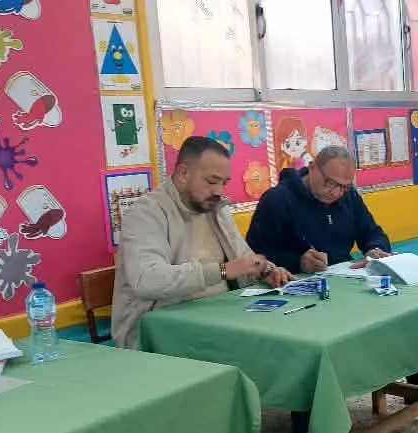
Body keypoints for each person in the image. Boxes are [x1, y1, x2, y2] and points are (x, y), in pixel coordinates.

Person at [245, 144, 418, 433]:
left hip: (342, 280)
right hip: (296, 289)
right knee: (315, 345)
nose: (335, 192)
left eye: (344, 186)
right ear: (312, 169)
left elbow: (372, 231)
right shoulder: (278, 200)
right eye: (330, 183)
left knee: (401, 308)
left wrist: (374, 248)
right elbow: (254, 254)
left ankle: (417, 382)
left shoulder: (349, 197)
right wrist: (297, 260)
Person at [112, 136, 292, 349]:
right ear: (183, 173)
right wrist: (223, 271)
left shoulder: (215, 208)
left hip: (221, 317)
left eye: (224, 183)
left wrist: (265, 271)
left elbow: (243, 258)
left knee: (283, 335)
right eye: (211, 181)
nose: (219, 191)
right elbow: (146, 280)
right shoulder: (145, 213)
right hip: (162, 330)